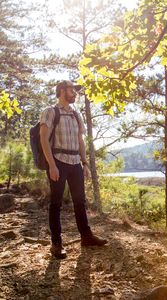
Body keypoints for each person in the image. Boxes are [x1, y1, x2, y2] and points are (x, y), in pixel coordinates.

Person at [40, 80, 107, 259]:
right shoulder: (50, 112)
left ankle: (86, 237)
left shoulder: (77, 114)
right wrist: (52, 165)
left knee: (80, 202)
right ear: (62, 91)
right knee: (56, 204)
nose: (75, 93)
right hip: (58, 162)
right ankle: (56, 244)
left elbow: (80, 140)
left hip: (75, 162)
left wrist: (84, 163)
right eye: (72, 90)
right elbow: (44, 139)